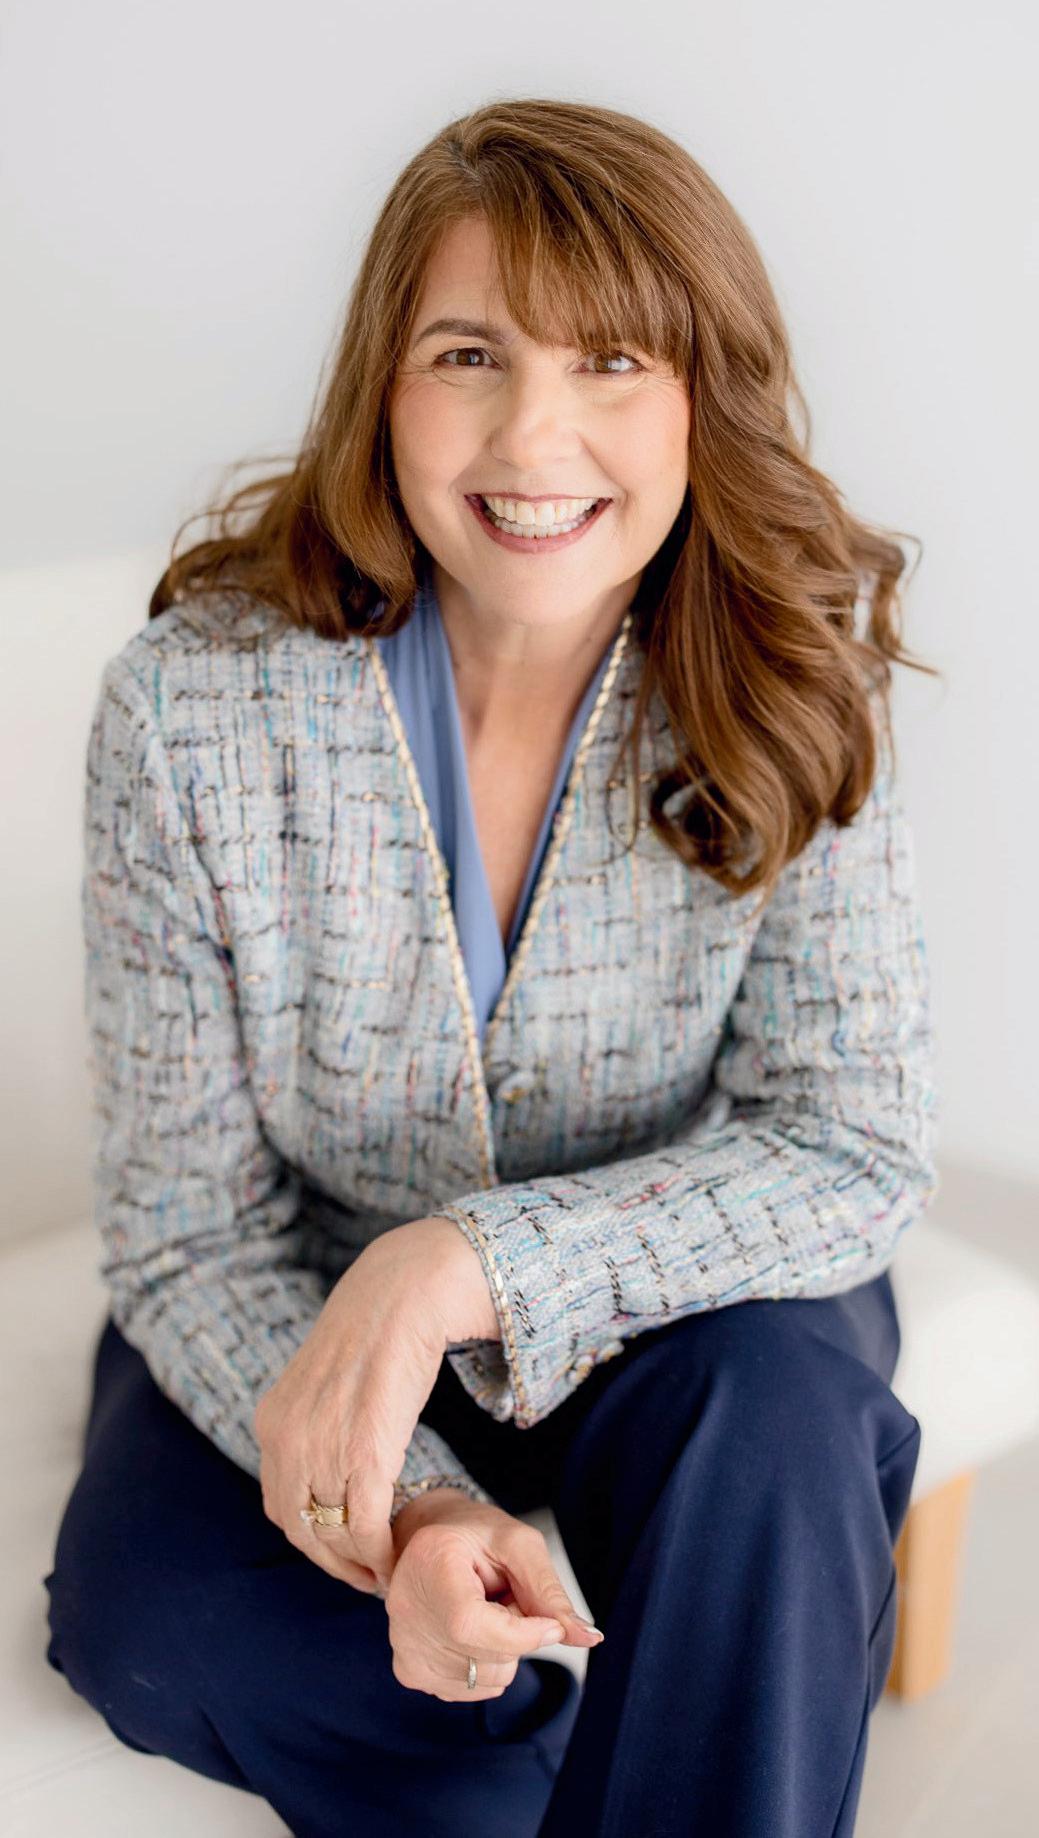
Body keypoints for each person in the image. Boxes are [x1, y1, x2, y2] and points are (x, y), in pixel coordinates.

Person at [42, 96, 939, 1837]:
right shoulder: (189, 709)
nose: (536, 435)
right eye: (469, 354)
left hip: (687, 1309)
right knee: (159, 1624)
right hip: (307, 1289)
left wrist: (469, 1264)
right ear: (383, 384)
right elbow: (186, 1231)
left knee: (778, 1438)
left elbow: (850, 1142)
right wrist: (417, 1511)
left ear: (704, 394)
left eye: (611, 359)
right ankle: (586, 1742)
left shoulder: (797, 667)